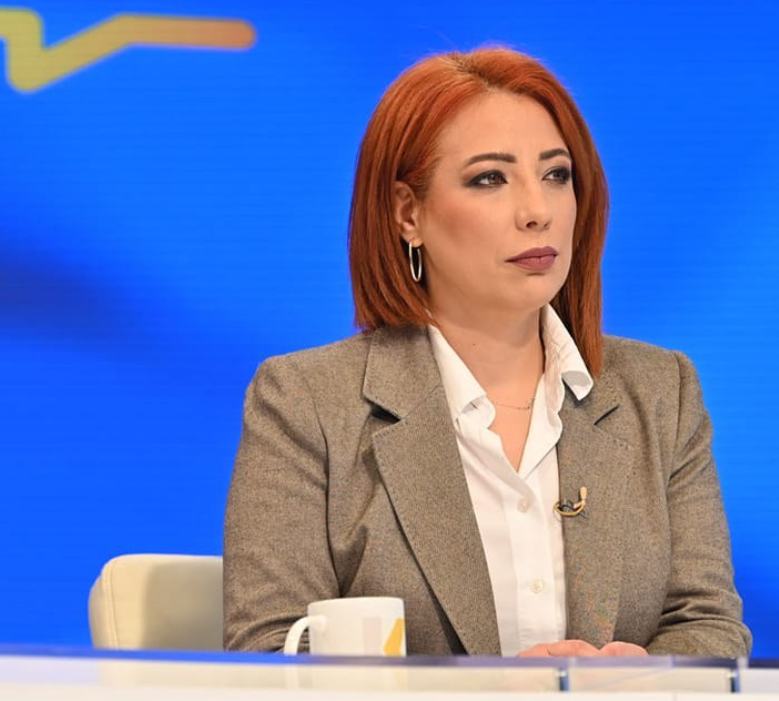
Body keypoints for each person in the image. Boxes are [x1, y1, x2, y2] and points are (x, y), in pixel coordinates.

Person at [223, 47, 752, 658]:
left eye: (556, 175)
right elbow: (267, 655)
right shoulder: (306, 403)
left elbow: (709, 624)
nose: (537, 211)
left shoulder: (660, 391)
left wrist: (647, 677)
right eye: (490, 179)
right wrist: (490, 691)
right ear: (407, 213)